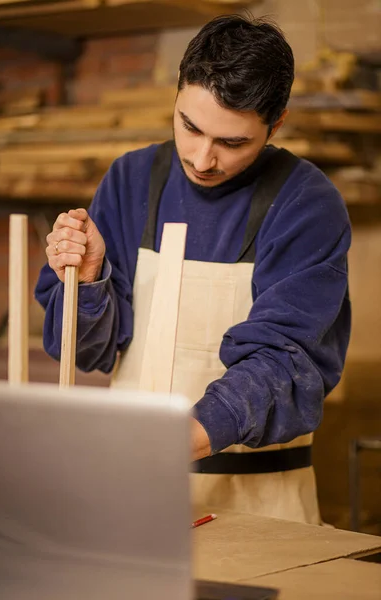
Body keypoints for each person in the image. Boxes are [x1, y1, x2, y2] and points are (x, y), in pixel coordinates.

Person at [35, 14, 351, 524]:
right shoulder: (132, 179)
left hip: (259, 502)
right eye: (190, 126)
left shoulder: (307, 204)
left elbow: (285, 360)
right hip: (133, 489)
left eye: (232, 143)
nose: (203, 158)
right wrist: (90, 282)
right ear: (177, 93)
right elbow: (87, 353)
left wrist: (171, 442)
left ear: (277, 123)